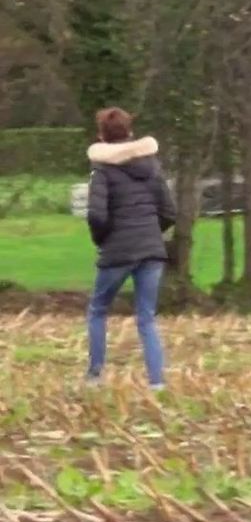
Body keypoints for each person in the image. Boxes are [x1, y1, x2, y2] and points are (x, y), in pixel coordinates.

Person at [84, 108, 176, 391]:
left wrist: (104, 240)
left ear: (102, 136)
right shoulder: (152, 168)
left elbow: (97, 216)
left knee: (98, 309)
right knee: (146, 317)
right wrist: (149, 235)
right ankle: (157, 383)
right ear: (130, 133)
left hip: (117, 252)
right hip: (151, 251)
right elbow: (169, 212)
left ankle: (95, 377)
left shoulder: (102, 171)